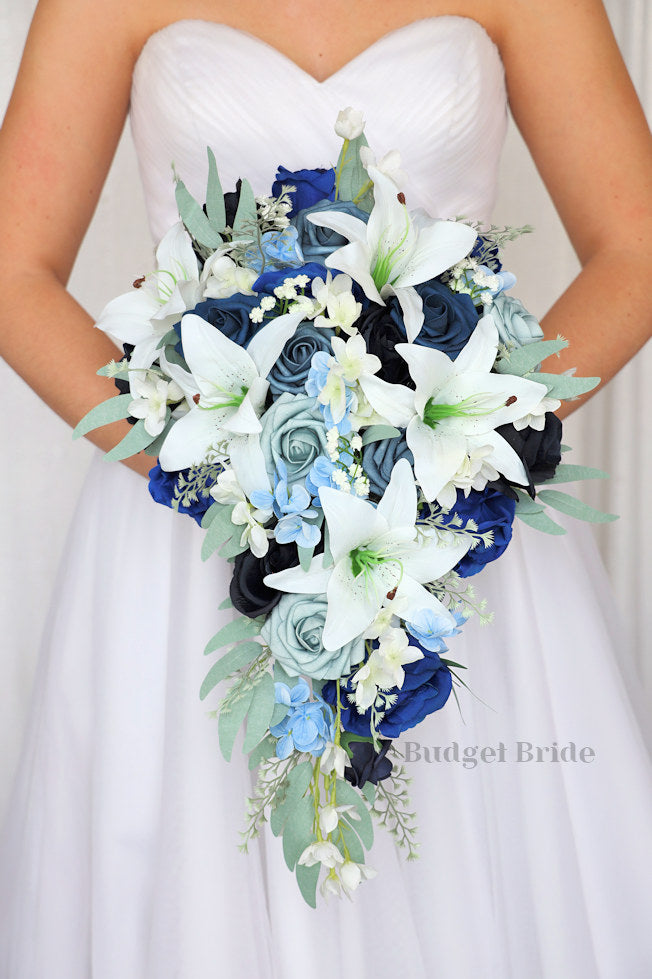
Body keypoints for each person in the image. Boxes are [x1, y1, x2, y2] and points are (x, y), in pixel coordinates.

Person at [0, 1, 651, 976]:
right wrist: (217, 470)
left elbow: (635, 248)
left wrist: (476, 426)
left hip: (449, 525)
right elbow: (14, 271)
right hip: (190, 521)